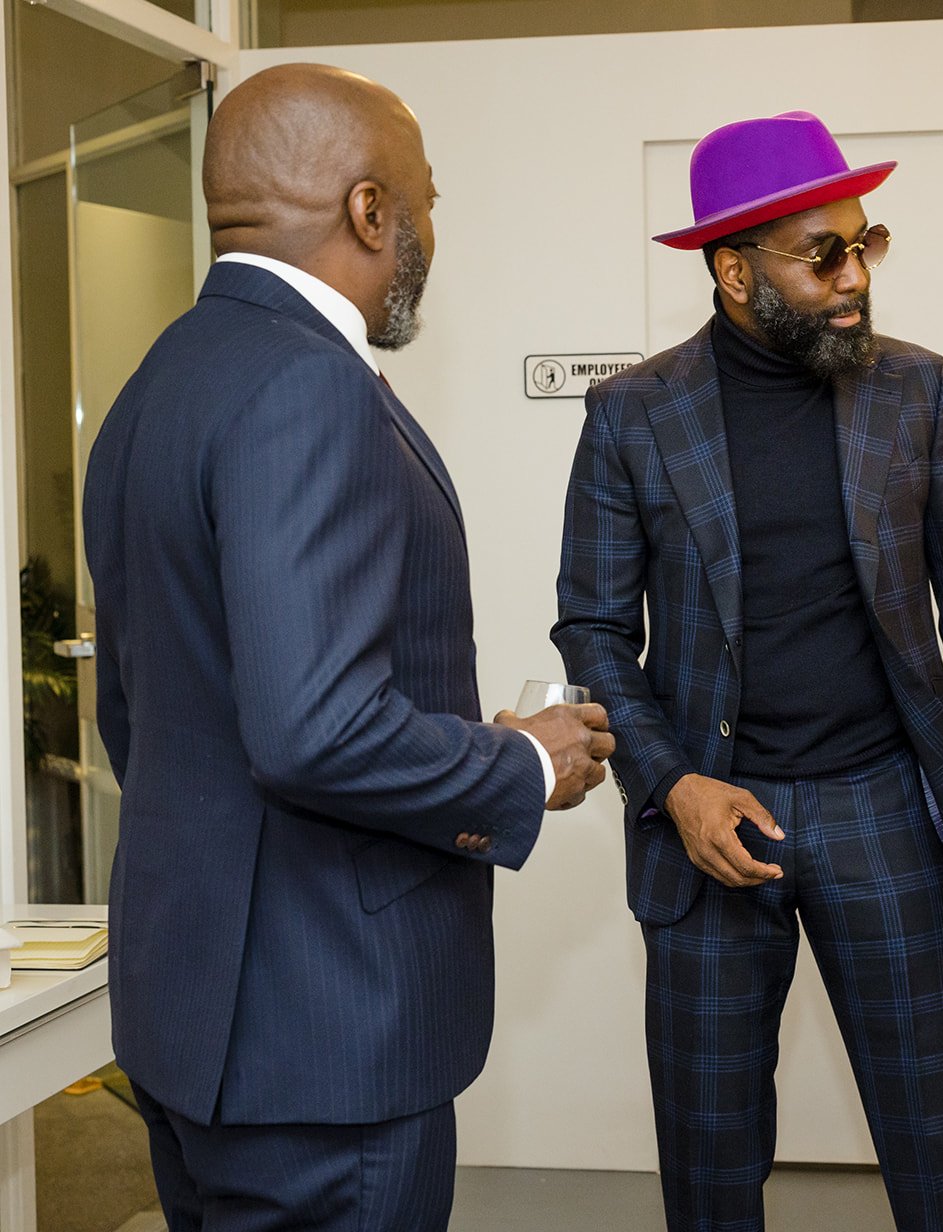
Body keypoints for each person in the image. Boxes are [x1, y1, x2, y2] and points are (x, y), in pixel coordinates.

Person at [83, 62, 613, 1230]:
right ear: (371, 212)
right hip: (325, 1042)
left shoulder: (153, 387)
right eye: (425, 199)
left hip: (195, 1027)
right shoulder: (307, 387)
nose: (432, 228)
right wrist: (520, 763)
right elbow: (312, 728)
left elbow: (145, 711)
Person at [553, 110, 943, 1232]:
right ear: (734, 270)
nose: (853, 277)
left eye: (863, 245)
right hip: (709, 819)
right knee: (710, 1155)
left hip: (880, 804)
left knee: (938, 1139)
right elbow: (590, 626)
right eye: (821, 253)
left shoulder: (917, 392)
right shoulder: (633, 415)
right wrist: (673, 785)